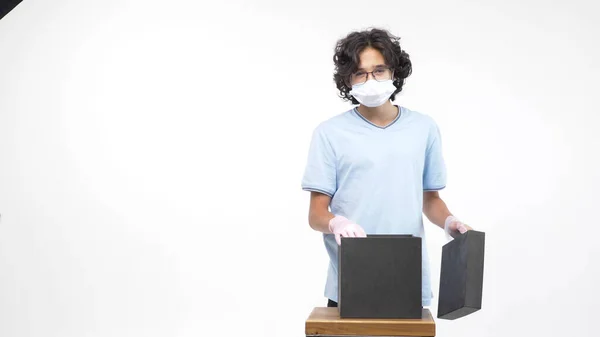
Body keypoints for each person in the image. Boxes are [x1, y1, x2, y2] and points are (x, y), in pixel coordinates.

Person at [301, 27, 473, 308]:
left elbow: (430, 200)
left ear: (394, 72)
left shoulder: (423, 128)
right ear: (348, 79)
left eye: (379, 70)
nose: (370, 79)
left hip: (406, 274)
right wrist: (337, 222)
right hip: (350, 277)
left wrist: (450, 221)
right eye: (360, 73)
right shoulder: (330, 133)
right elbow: (316, 214)